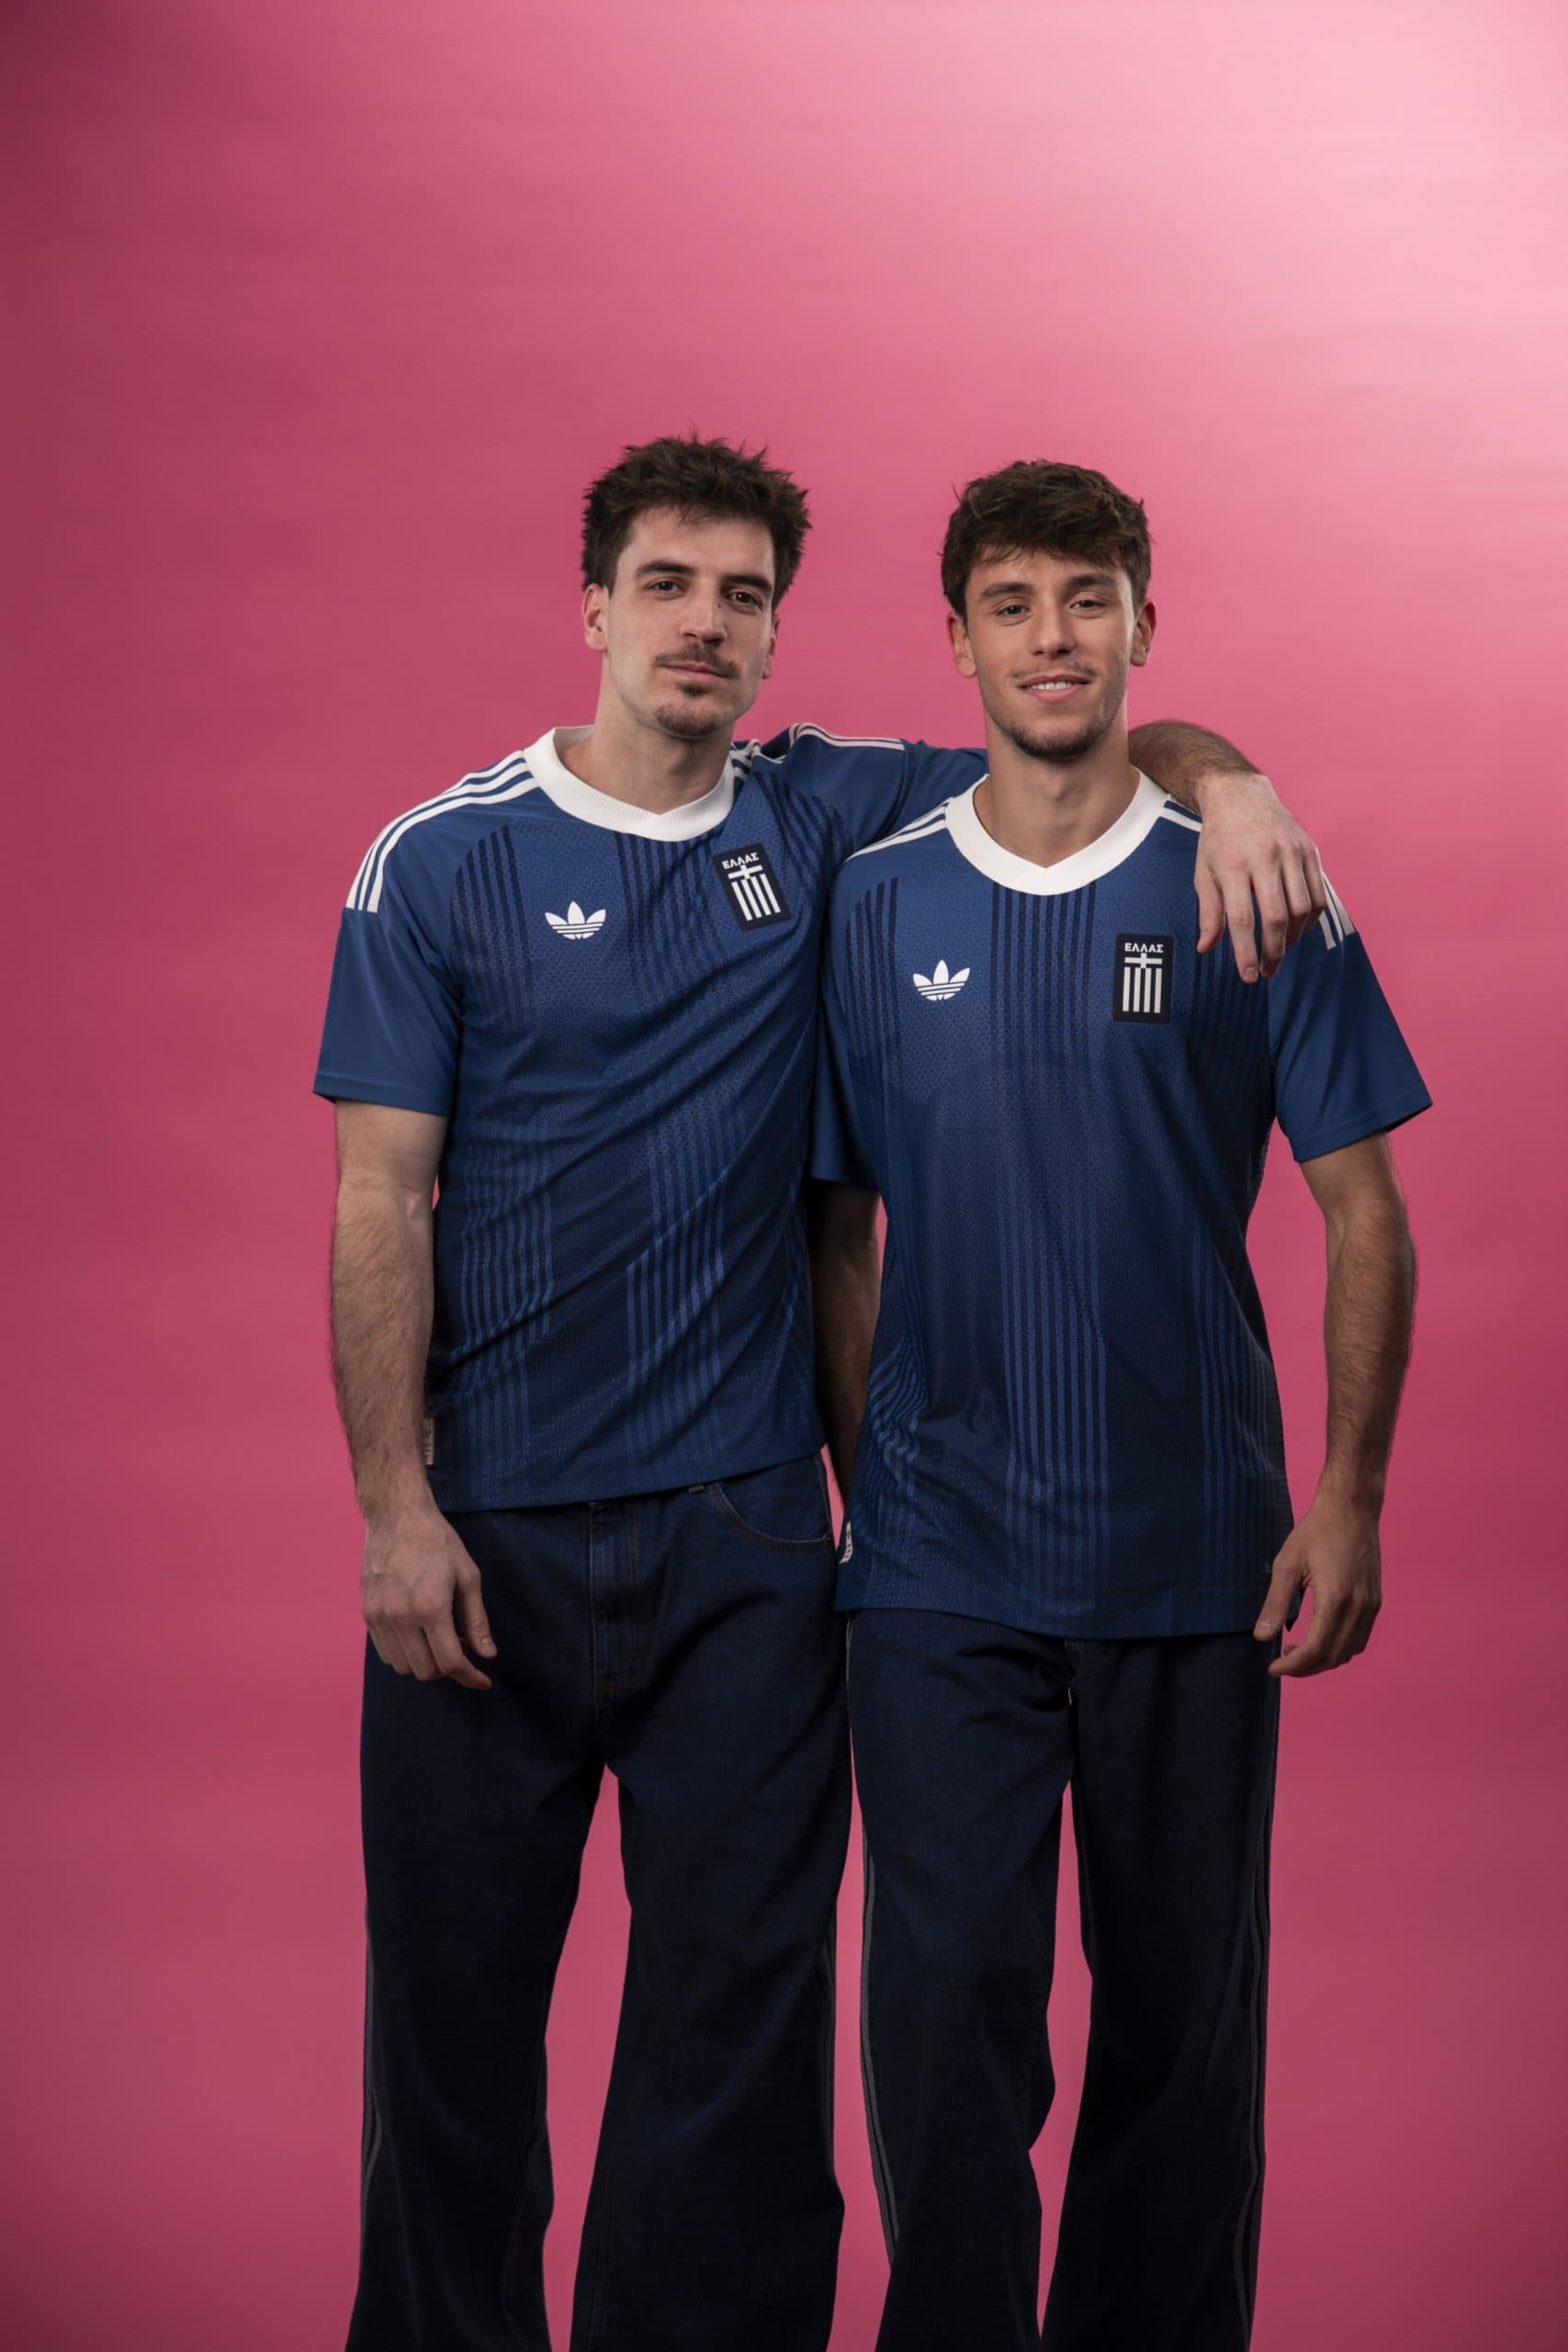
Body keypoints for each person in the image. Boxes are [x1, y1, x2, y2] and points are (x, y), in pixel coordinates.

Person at [313, 433, 1326, 2352]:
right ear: (592, 607)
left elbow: (1077, 742)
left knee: (737, 2046)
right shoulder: (440, 858)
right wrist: (394, 1508)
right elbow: (378, 1197)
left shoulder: (827, 814)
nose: (704, 624)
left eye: (744, 595)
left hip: (753, 1535)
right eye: (667, 585)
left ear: (778, 633)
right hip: (486, 1531)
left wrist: (1238, 780)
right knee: (451, 2036)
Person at [808, 458, 1429, 2352]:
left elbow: (1365, 1212)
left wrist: (1345, 1496)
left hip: (1194, 1555)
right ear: (956, 640)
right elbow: (835, 1230)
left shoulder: (1252, 882)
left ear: (1146, 620)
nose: (1053, 637)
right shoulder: (873, 897)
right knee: (940, 2024)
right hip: (938, 1579)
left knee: (1181, 2039)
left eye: (1088, 598)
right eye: (1012, 603)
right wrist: (879, 1485)